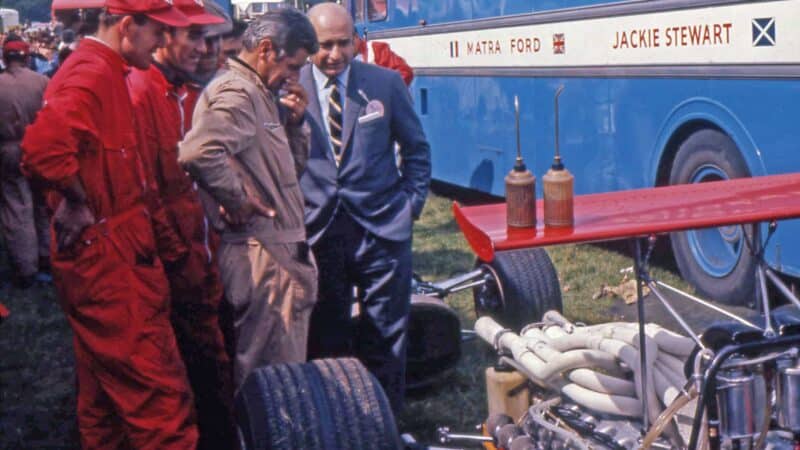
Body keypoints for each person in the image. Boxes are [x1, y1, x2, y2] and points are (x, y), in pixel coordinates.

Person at [20, 2, 200, 448]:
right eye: (158, 31)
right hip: (110, 261)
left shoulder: (106, 70)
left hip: (109, 254)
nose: (164, 42)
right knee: (160, 405)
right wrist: (78, 201)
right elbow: (42, 152)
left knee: (104, 401)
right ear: (126, 26)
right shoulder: (93, 73)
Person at [300, 3, 431, 412]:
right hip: (319, 232)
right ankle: (341, 421)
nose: (335, 55)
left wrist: (410, 205)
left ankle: (387, 423)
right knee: (327, 338)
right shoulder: (288, 89)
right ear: (307, 45)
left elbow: (416, 150)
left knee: (386, 337)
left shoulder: (385, 84)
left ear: (357, 41)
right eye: (324, 46)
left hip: (382, 231)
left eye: (344, 43)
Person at [178, 9, 319, 388]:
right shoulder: (237, 92)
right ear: (267, 49)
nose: (293, 78)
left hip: (277, 255)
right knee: (271, 382)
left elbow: (284, 174)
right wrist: (237, 198)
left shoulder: (258, 93)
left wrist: (296, 125)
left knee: (281, 374)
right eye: (292, 66)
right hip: (265, 258)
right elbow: (198, 152)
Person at [126, 1, 235, 448]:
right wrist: (181, 259)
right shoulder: (140, 92)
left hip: (202, 256)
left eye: (211, 39)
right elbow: (146, 193)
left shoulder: (187, 92)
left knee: (214, 367)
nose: (205, 49)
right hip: (169, 269)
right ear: (164, 34)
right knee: (190, 376)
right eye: (194, 36)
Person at [0, 38, 50, 288]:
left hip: (9, 149)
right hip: (39, 146)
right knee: (42, 202)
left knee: (17, 206)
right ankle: (47, 256)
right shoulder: (41, 82)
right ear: (26, 56)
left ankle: (26, 267)